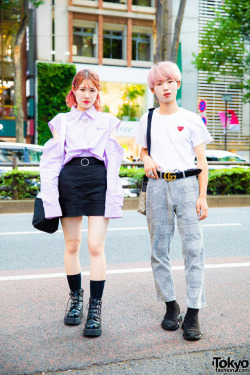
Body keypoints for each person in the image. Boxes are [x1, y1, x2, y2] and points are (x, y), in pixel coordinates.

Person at [38, 68, 124, 337]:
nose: (87, 94)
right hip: (70, 179)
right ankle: (76, 300)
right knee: (72, 244)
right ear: (73, 91)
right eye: (82, 88)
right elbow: (51, 161)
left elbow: (113, 162)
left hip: (98, 180)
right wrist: (49, 196)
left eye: (92, 89)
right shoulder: (61, 121)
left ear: (98, 93)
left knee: (95, 246)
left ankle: (95, 308)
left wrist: (114, 194)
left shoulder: (108, 121)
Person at [136, 61, 213, 341]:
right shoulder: (148, 119)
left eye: (170, 81)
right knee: (159, 249)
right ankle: (171, 305)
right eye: (159, 83)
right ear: (153, 88)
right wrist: (146, 158)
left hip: (187, 185)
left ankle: (193, 312)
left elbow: (202, 161)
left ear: (177, 84)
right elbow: (143, 151)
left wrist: (202, 196)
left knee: (194, 250)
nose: (165, 87)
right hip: (157, 187)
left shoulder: (192, 119)